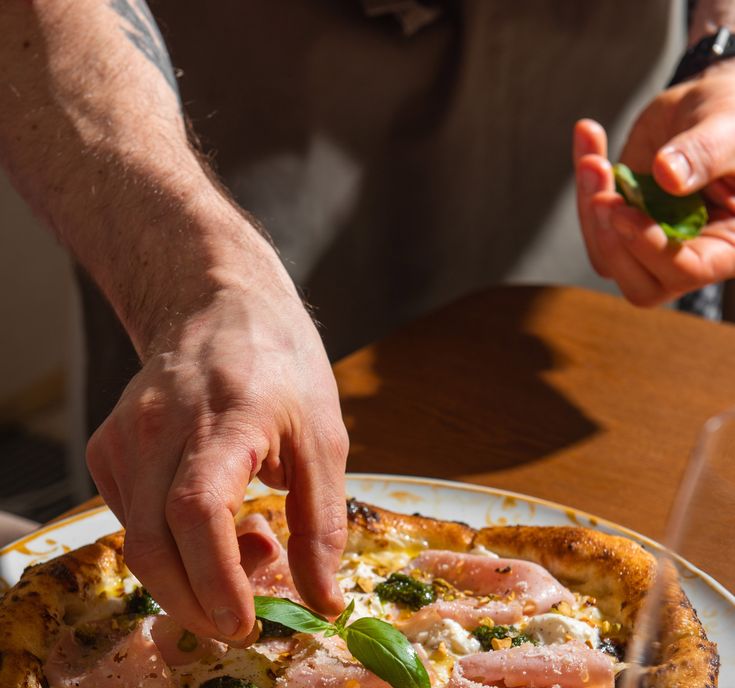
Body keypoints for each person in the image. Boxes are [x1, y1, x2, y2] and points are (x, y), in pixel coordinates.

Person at [0, 0, 734, 640]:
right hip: (240, 78)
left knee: (595, 473)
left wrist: (720, 54)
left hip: (596, 61)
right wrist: (201, 281)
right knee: (203, 478)